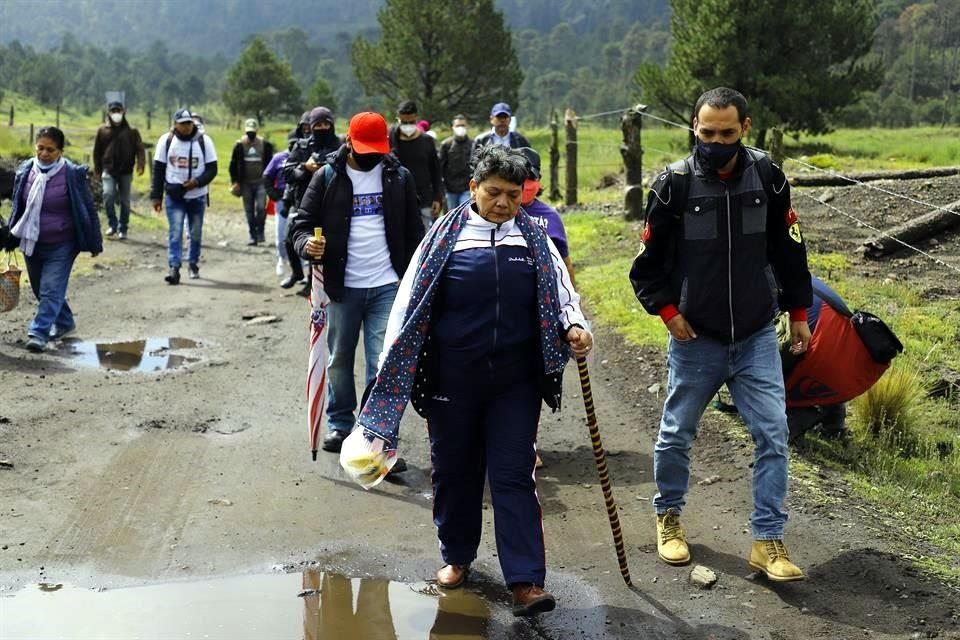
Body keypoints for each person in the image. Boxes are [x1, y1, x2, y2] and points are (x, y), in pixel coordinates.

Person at [357, 145, 592, 616]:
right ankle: (456, 557)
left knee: (512, 475)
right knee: (455, 471)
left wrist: (575, 326)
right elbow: (408, 305)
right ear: (473, 189)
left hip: (515, 382)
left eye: (512, 194)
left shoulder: (535, 241)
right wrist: (389, 370)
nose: (503, 203)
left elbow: (562, 295)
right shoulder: (442, 239)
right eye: (493, 193)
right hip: (452, 379)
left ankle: (525, 580)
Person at [628, 87, 812, 582]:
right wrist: (668, 312)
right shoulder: (674, 185)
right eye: (707, 133)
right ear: (694, 128)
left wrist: (798, 312)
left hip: (755, 334)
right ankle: (669, 518)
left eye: (726, 134)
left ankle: (767, 541)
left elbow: (790, 251)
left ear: (744, 130)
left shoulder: (769, 177)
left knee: (773, 434)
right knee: (675, 435)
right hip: (696, 338)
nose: (715, 142)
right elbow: (645, 267)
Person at [289, 111, 423, 454]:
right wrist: (308, 245)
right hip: (342, 286)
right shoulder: (327, 177)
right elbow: (301, 225)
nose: (371, 157)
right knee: (339, 359)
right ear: (348, 142)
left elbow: (415, 233)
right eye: (365, 150)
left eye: (377, 151)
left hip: (387, 285)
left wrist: (414, 276)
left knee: (382, 362)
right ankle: (340, 423)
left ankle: (375, 433)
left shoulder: (399, 177)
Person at [3, 127, 102, 352]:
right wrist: (10, 233)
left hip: (62, 243)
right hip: (32, 241)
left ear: (60, 151)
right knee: (40, 289)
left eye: (50, 149)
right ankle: (65, 323)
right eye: (40, 148)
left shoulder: (71, 174)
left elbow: (87, 208)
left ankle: (39, 332)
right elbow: (19, 205)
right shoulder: (26, 171)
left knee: (50, 289)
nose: (44, 153)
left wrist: (94, 241)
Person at [150, 108, 218, 284]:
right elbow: (158, 170)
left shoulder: (204, 141)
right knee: (175, 232)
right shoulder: (166, 141)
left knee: (194, 232)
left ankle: (193, 263)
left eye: (189, 123)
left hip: (197, 196)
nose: (186, 127)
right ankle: (174, 267)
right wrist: (156, 197)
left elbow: (212, 169)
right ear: (175, 124)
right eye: (183, 124)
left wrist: (196, 182)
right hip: (174, 195)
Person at [282, 106, 342, 294]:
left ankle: (315, 282)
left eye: (326, 124)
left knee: (324, 246)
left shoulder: (340, 146)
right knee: (291, 239)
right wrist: (305, 168)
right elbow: (287, 172)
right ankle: (298, 274)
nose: (322, 128)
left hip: (334, 203)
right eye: (318, 124)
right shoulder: (302, 146)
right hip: (304, 203)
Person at [516, 147, 574, 283]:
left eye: (530, 178)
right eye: (521, 178)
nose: (525, 184)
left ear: (538, 180)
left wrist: (574, 301)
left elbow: (565, 263)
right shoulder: (499, 212)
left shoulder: (551, 216)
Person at [92, 100, 146, 240]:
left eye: (119, 111)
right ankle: (112, 224)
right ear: (108, 113)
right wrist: (97, 171)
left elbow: (140, 149)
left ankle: (123, 228)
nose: (116, 114)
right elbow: (97, 152)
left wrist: (141, 163)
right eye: (113, 111)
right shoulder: (102, 130)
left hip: (126, 170)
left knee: (125, 201)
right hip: (108, 169)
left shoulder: (132, 131)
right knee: (108, 196)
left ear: (124, 112)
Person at [388, 100, 443, 233]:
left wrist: (437, 197)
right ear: (398, 119)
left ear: (416, 118)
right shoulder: (391, 139)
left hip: (424, 198)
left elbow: (436, 171)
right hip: (398, 198)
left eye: (411, 122)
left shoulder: (427, 141)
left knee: (422, 236)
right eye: (404, 122)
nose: (407, 126)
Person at [229, 118, 274, 246]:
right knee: (249, 210)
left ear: (257, 131)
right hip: (245, 183)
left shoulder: (265, 145)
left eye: (253, 132)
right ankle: (252, 236)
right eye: (249, 132)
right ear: (245, 131)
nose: (251, 135)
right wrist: (235, 181)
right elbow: (233, 165)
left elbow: (270, 164)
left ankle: (260, 232)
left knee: (261, 207)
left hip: (261, 182)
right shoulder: (239, 145)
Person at [263, 133, 295, 278]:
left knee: (298, 234)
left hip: (299, 201)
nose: (294, 146)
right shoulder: (279, 158)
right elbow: (266, 176)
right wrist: (273, 194)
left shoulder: (305, 157)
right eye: (291, 143)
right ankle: (282, 259)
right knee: (281, 234)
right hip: (281, 199)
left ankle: (299, 266)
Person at [438, 115, 473, 212]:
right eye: (457, 125)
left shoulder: (473, 144)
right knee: (451, 216)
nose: (460, 128)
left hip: (467, 188)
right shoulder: (446, 145)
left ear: (467, 127)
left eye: (463, 125)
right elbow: (440, 167)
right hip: (450, 189)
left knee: (465, 214)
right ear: (452, 127)